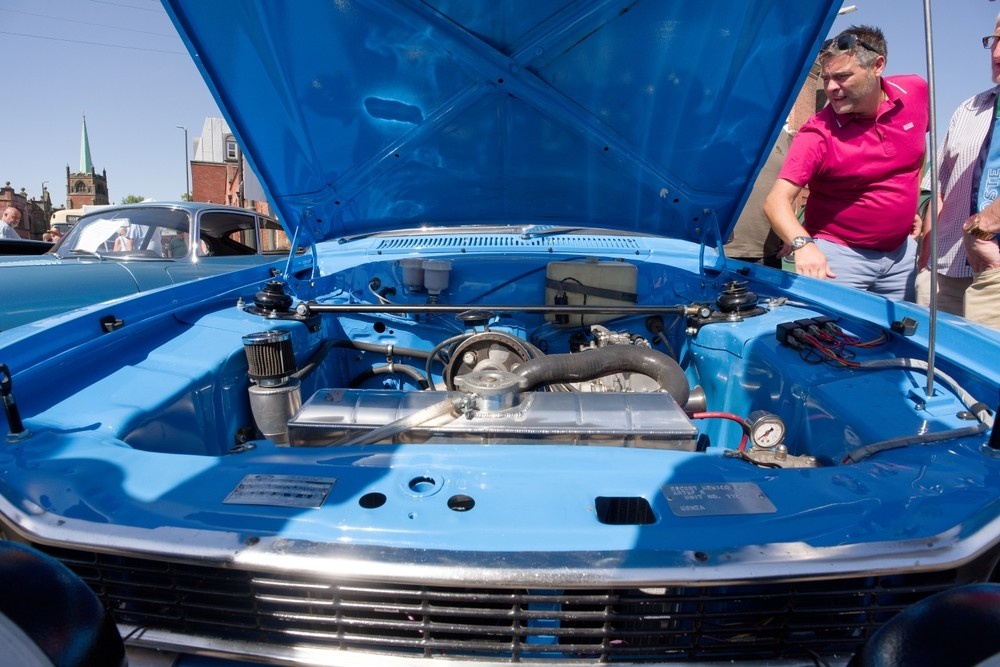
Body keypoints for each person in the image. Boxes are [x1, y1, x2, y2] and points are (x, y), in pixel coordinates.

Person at [762, 26, 928, 301]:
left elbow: (917, 149)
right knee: (828, 340)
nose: (830, 89)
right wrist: (802, 244)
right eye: (826, 78)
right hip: (839, 259)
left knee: (894, 341)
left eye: (842, 77)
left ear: (878, 65)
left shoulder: (915, 91)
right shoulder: (817, 134)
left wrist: (910, 202)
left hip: (901, 256)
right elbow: (775, 202)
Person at [917, 14, 1000, 318]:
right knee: (931, 359)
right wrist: (927, 256)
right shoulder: (968, 109)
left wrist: (981, 227)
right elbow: (938, 186)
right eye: (995, 40)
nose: (997, 53)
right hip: (946, 272)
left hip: (996, 276)